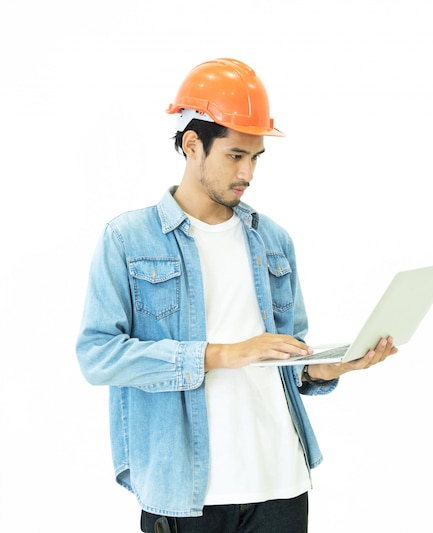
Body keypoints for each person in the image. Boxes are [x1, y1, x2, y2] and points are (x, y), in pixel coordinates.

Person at [76, 58, 398, 533]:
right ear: (192, 146)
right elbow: (98, 355)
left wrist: (331, 367)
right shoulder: (128, 239)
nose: (247, 172)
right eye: (234, 155)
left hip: (280, 484)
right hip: (188, 493)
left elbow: (288, 363)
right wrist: (225, 354)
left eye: (255, 157)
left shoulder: (274, 240)